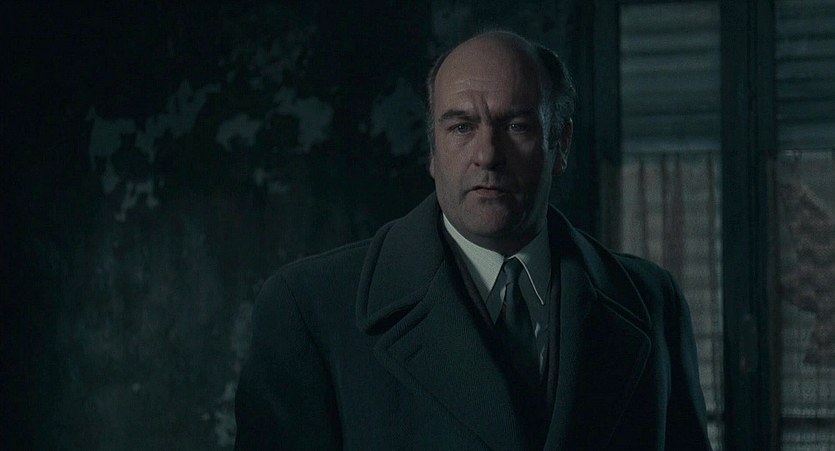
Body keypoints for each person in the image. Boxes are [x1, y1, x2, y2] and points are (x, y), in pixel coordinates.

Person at [234, 30, 712, 450]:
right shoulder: (310, 308)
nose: (487, 154)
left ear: (560, 144)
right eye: (462, 127)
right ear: (433, 150)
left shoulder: (651, 301)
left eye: (516, 126)